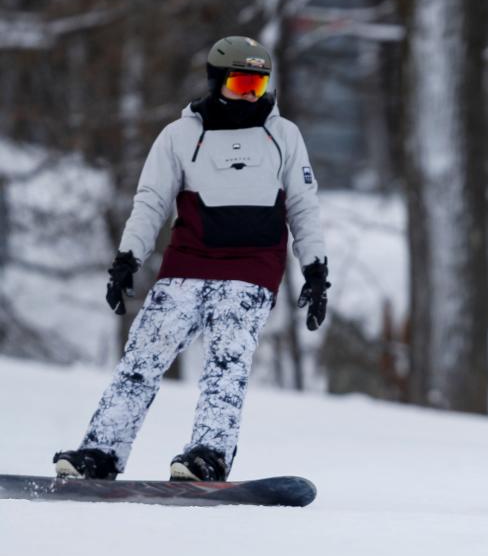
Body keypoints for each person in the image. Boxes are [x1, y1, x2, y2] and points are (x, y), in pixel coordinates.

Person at [53, 36, 330, 482]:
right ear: (216, 80)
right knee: (142, 357)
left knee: (226, 363)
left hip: (251, 269)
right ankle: (100, 452)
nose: (247, 95)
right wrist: (128, 257)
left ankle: (209, 454)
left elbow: (303, 204)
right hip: (188, 265)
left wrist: (315, 270)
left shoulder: (283, 137)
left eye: (257, 87)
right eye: (240, 83)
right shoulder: (180, 136)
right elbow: (151, 201)